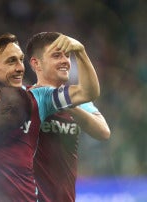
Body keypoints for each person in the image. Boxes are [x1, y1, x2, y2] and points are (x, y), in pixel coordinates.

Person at [0, 32, 100, 201]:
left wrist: (80, 51)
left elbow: (88, 92)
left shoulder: (38, 98)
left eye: (21, 59)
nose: (20, 67)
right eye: (11, 61)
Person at [26, 31, 111, 202]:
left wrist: (68, 104)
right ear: (37, 63)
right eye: (57, 55)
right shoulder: (25, 98)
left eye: (67, 55)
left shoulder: (79, 103)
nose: (65, 61)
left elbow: (103, 132)